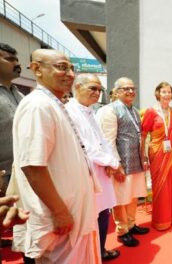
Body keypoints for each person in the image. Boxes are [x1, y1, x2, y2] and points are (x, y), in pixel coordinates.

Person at [10, 49, 100, 263]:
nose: (69, 73)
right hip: (62, 216)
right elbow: (33, 166)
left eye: (71, 68)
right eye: (61, 67)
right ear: (37, 69)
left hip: (74, 210)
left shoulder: (54, 103)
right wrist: (60, 212)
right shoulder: (37, 106)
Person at [65, 73, 121, 261]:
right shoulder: (69, 111)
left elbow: (102, 140)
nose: (97, 93)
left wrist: (112, 161)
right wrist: (111, 162)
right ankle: (91, 255)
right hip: (85, 175)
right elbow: (84, 147)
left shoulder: (91, 111)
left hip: (101, 172)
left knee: (103, 213)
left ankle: (100, 250)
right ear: (77, 87)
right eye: (93, 88)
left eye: (99, 89)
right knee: (89, 218)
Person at [96, 77, 148, 247]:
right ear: (116, 92)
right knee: (120, 199)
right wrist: (115, 165)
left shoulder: (134, 110)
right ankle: (122, 230)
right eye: (126, 88)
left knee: (132, 196)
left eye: (133, 88)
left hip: (136, 162)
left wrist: (144, 157)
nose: (131, 91)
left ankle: (132, 224)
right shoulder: (109, 110)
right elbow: (108, 141)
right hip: (121, 164)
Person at [141, 81, 172, 231]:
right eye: (164, 91)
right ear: (158, 93)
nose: (167, 94)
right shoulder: (151, 112)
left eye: (169, 92)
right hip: (157, 153)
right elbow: (144, 134)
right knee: (160, 186)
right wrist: (143, 154)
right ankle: (161, 220)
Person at [0, 43, 23, 198]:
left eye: (17, 59)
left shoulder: (20, 95)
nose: (17, 64)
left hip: (22, 171)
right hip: (3, 175)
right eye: (10, 59)